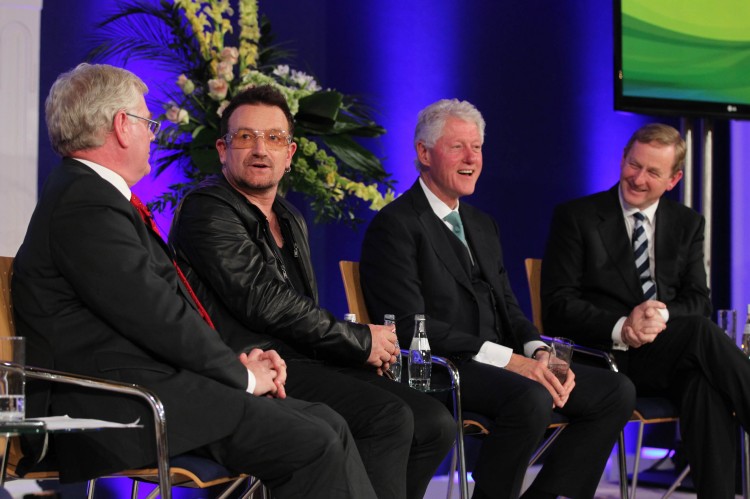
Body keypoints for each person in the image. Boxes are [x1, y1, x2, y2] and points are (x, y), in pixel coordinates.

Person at [12, 63, 377, 498]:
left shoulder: (93, 196)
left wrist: (235, 363)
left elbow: (160, 309)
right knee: (312, 440)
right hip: (115, 405)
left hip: (151, 387)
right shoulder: (84, 202)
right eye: (147, 122)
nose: (153, 134)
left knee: (327, 422)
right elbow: (156, 315)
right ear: (121, 126)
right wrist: (240, 377)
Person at [169, 85, 455, 499]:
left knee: (435, 423)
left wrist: (351, 353)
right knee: (387, 417)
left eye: (274, 138)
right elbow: (264, 302)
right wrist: (358, 342)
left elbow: (302, 309)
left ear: (291, 153)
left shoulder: (289, 217)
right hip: (250, 368)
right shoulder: (206, 210)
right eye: (245, 137)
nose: (260, 149)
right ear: (222, 149)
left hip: (302, 361)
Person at [359, 98, 636, 499]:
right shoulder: (395, 226)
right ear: (424, 153)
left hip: (503, 365)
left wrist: (538, 351)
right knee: (531, 396)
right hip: (441, 368)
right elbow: (407, 325)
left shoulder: (482, 224)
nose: (472, 157)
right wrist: (512, 361)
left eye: (477, 147)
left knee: (616, 390)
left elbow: (508, 305)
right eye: (458, 147)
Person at [541, 122, 750, 499]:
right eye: (633, 165)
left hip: (669, 353)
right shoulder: (578, 217)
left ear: (674, 179)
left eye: (653, 172)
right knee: (702, 338)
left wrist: (660, 317)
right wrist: (623, 326)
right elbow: (558, 307)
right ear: (623, 159)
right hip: (608, 358)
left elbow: (698, 300)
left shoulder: (687, 224)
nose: (638, 178)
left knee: (705, 380)